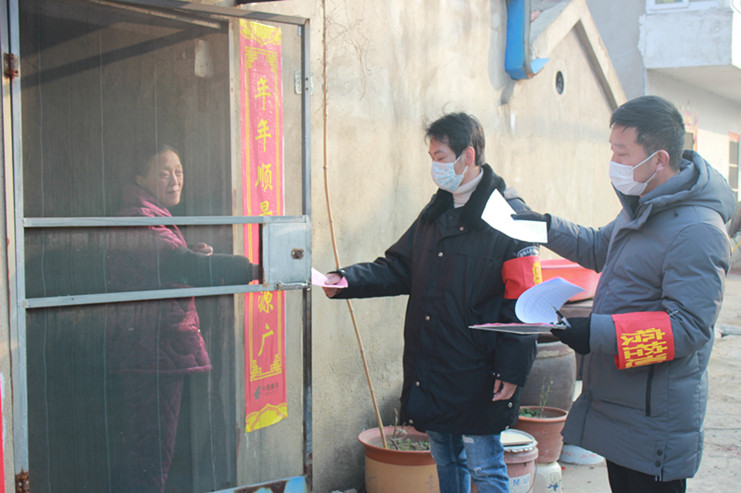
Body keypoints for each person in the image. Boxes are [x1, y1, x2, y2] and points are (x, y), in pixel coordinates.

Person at [513, 95, 735, 492]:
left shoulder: (697, 230)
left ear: (659, 159)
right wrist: (544, 227)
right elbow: (601, 246)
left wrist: (596, 333)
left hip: (655, 414)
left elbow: (688, 328)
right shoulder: (647, 207)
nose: (613, 161)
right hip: (620, 403)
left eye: (622, 152)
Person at [324, 113, 542, 492]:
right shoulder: (436, 212)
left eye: (441, 157)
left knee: (485, 467)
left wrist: (513, 368)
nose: (435, 167)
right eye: (432, 157)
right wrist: (345, 280)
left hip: (479, 370)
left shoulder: (510, 217)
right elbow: (399, 267)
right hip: (434, 363)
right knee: (445, 459)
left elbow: (527, 302)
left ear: (468, 155)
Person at [106, 145, 260, 492]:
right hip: (150, 352)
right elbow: (179, 264)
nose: (175, 180)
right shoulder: (139, 218)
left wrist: (190, 255)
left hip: (156, 350)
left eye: (179, 172)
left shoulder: (153, 215)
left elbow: (170, 262)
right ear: (140, 179)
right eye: (163, 173)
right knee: (149, 454)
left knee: (154, 450)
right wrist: (256, 269)